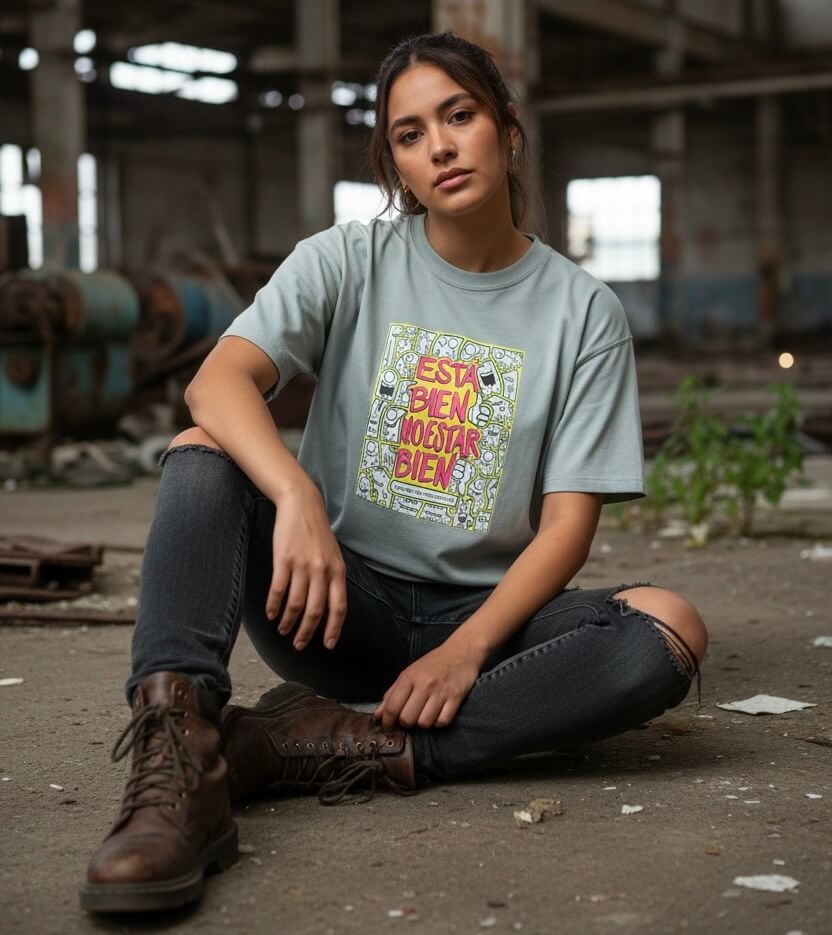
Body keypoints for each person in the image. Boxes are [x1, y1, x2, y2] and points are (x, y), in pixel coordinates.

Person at [80, 31, 708, 914]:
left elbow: (568, 525)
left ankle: (317, 744)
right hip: (337, 605)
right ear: (396, 164)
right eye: (411, 135)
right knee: (204, 450)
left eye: (460, 116)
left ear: (508, 129)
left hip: (484, 621)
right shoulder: (348, 258)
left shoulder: (582, 311)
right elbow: (215, 382)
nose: (441, 146)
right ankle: (178, 756)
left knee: (669, 627)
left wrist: (468, 647)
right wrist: (295, 493)